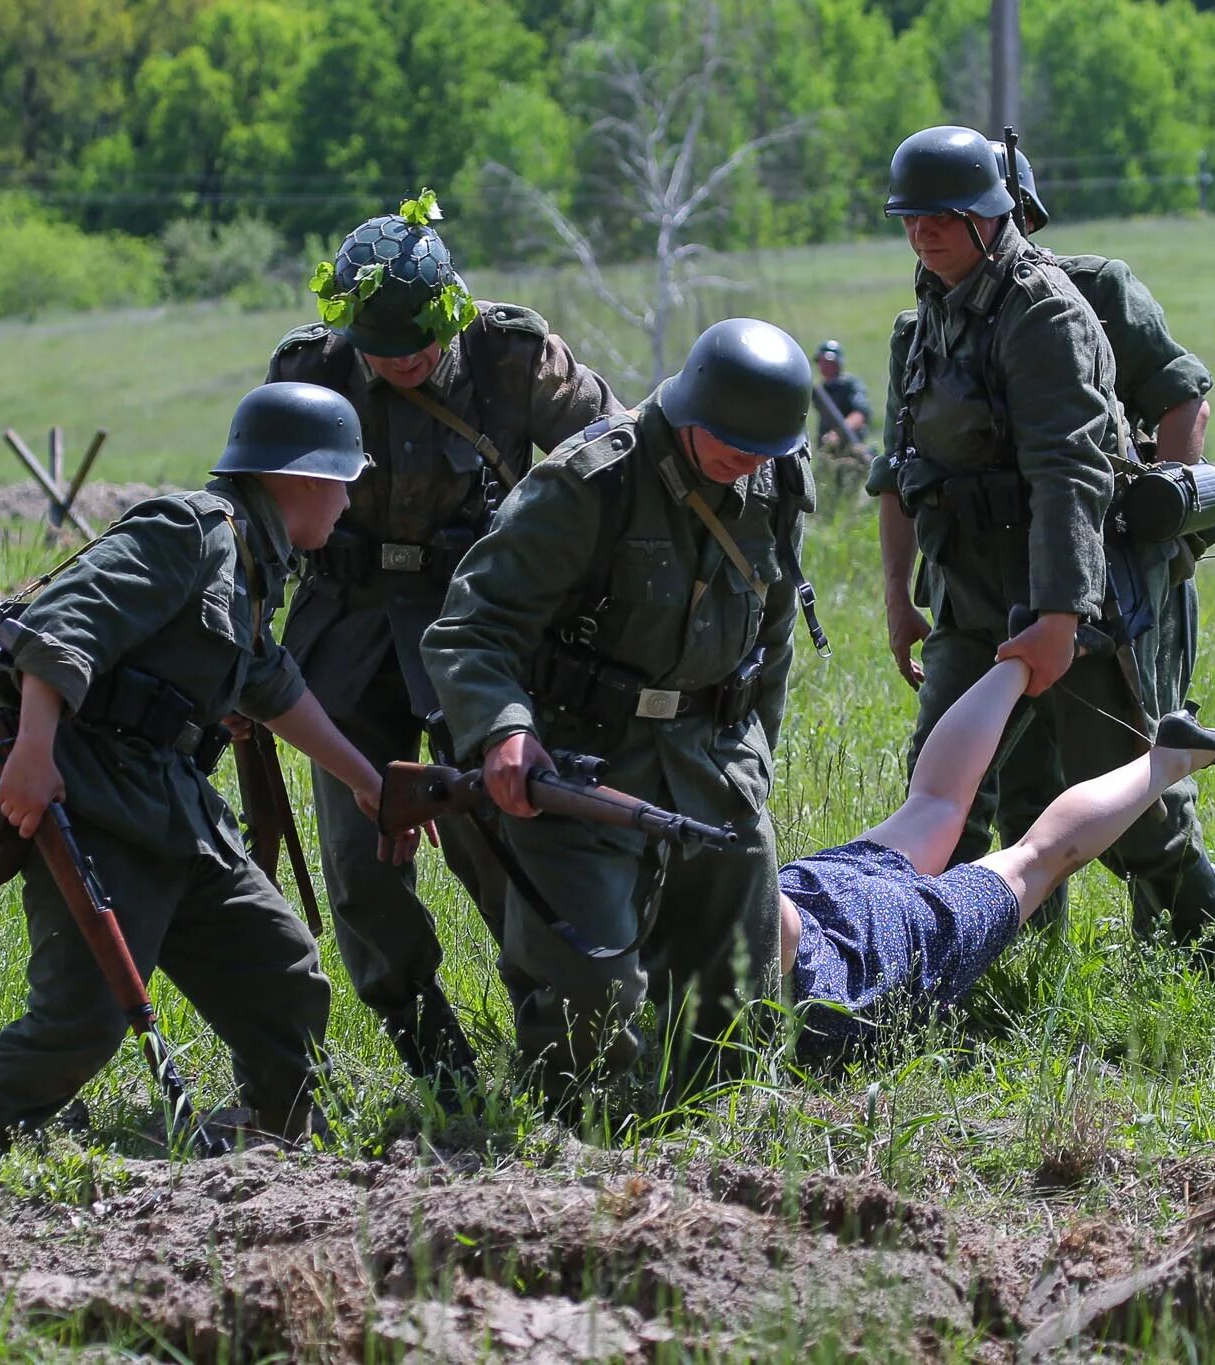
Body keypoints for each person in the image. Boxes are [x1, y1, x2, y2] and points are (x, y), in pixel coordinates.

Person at [0, 382, 405, 1182]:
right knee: (81, 1024)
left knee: (282, 972)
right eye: (343, 480)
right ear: (303, 477)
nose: (349, 500)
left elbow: (270, 683)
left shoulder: (251, 562)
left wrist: (366, 779)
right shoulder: (189, 530)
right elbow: (61, 624)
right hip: (94, 795)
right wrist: (33, 755)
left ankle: (271, 1154)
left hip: (171, 804)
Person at [871, 125, 1215, 978]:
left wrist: (1061, 614)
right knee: (943, 795)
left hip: (1072, 599)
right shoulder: (924, 325)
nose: (921, 231)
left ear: (990, 215)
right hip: (970, 597)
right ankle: (948, 970)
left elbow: (1068, 471)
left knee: (1125, 799)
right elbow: (898, 473)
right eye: (911, 216)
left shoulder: (1049, 311)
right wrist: (902, 598)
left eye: (942, 214)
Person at [266, 194, 619, 1089]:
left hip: (479, 624)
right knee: (360, 859)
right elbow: (258, 510)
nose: (407, 360)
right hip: (348, 630)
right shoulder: (312, 371)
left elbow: (616, 459)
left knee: (506, 830)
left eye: (423, 342)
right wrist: (239, 658)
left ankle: (556, 1046)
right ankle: (434, 1059)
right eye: (385, 349)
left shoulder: (511, 359)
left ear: (453, 311)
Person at [422, 317, 816, 1091]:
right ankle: (572, 1152)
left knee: (733, 1012)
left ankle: (704, 1157)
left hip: (711, 760)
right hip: (581, 761)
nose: (748, 463)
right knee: (585, 1007)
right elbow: (471, 625)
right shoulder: (592, 481)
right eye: (732, 442)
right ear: (691, 409)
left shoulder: (773, 481)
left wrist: (753, 763)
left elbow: (771, 641)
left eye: (764, 449)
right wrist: (504, 731)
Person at [781, 634, 1215, 1053]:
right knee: (932, 804)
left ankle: (1169, 759)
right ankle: (1028, 658)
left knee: (1035, 859)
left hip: (840, 975)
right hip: (805, 892)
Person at [978, 141, 1215, 930]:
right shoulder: (952, 316)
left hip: (1120, 570)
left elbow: (1184, 398)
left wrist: (1166, 535)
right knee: (1019, 775)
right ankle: (1028, 944)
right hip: (1008, 575)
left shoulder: (1094, 290)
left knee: (1132, 753)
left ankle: (1181, 936)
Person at [813, 339, 873, 449]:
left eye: (828, 362)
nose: (824, 365)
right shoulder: (820, 390)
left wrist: (838, 433)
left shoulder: (850, 385)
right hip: (827, 449)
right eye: (821, 361)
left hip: (850, 447)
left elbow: (860, 413)